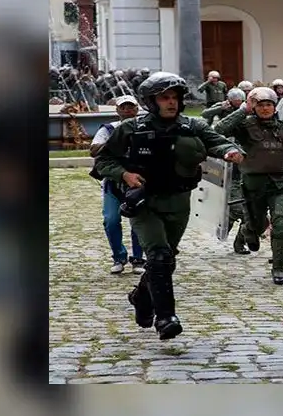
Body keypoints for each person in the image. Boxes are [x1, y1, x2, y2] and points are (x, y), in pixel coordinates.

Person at [94, 72, 244, 340]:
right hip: (144, 202)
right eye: (164, 98)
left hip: (178, 201)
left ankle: (141, 297)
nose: (171, 102)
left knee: (166, 259)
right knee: (159, 256)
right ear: (151, 101)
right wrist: (124, 175)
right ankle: (165, 318)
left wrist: (230, 152)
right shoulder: (131, 128)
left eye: (174, 97)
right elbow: (103, 161)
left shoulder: (192, 126)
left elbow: (217, 141)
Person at [215, 87, 283, 285]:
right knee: (257, 226)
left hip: (279, 184)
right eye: (261, 105)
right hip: (253, 184)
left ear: (275, 107)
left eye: (268, 105)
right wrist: (243, 110)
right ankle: (248, 231)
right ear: (254, 107)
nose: (265, 109)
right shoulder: (245, 126)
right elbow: (219, 130)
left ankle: (279, 268)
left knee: (281, 226)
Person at [90, 95, 145, 274]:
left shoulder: (144, 128)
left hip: (139, 181)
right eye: (123, 107)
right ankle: (119, 257)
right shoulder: (109, 129)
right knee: (111, 220)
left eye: (131, 107)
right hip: (113, 182)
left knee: (139, 221)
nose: (127, 110)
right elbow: (93, 150)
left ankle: (138, 259)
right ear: (117, 110)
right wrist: (114, 141)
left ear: (137, 109)